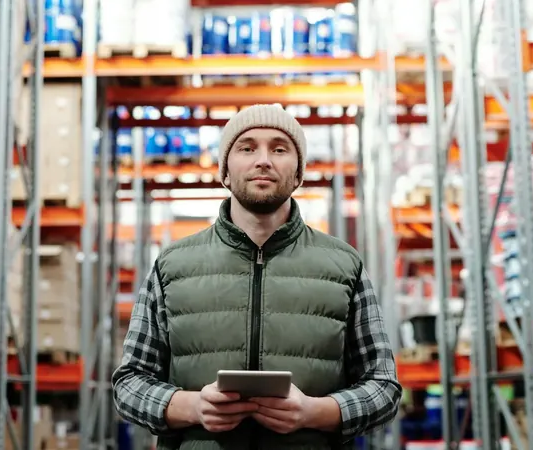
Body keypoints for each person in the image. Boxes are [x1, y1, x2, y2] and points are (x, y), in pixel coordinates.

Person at [112, 104, 402, 449]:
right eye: (247, 148)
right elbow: (129, 383)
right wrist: (191, 407)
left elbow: (383, 386)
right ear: (226, 172)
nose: (263, 159)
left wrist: (315, 412)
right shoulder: (172, 266)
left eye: (279, 149)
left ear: (298, 174)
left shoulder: (344, 265)